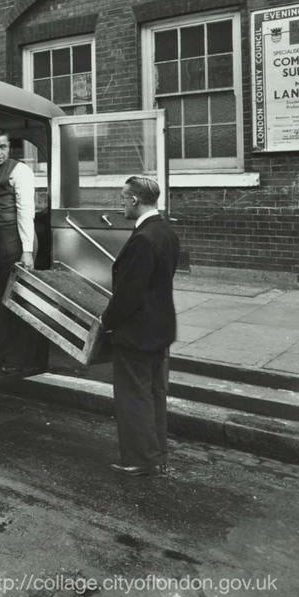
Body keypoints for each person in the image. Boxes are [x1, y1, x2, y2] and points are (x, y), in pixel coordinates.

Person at [101, 176, 180, 477]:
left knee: (133, 396)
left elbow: (129, 295)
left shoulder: (143, 239)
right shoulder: (165, 232)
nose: (120, 202)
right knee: (153, 392)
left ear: (134, 200)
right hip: (159, 328)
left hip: (136, 332)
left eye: (122, 197)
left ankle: (139, 459)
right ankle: (156, 454)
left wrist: (107, 322)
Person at [0, 128, 37, 375]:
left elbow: (26, 212)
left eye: (2, 147)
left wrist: (26, 251)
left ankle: (18, 358)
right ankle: (0, 353)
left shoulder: (20, 171)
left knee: (13, 301)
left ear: (10, 147)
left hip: (13, 242)